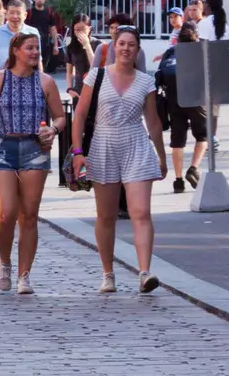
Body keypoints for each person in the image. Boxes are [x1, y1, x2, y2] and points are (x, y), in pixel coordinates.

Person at [71, 25, 167, 294]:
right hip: (103, 144)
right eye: (121, 43)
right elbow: (79, 115)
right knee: (106, 215)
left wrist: (161, 156)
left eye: (131, 45)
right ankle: (107, 273)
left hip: (136, 144)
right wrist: (78, 152)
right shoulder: (97, 76)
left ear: (138, 50)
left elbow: (153, 121)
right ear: (114, 47)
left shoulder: (145, 81)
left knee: (141, 212)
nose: (126, 48)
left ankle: (145, 272)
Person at [0, 30, 66, 295]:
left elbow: (60, 117)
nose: (36, 52)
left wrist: (53, 130)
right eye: (30, 48)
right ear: (16, 51)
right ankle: (4, 263)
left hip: (35, 148)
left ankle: (25, 275)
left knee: (29, 214)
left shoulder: (46, 82)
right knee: (6, 213)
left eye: (37, 48)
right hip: (2, 148)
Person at [155, 24, 209, 193]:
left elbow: (160, 74)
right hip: (195, 99)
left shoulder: (171, 51)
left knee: (177, 140)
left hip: (173, 99)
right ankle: (193, 168)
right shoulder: (200, 51)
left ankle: (178, 181)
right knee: (203, 136)